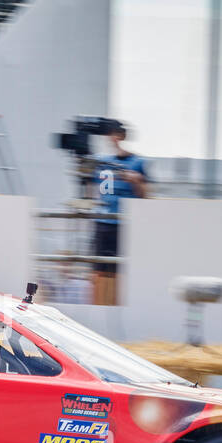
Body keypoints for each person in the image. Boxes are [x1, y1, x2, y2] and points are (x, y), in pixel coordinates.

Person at [91, 122, 146, 305]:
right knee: (98, 268)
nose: (112, 138)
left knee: (120, 269)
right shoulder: (101, 161)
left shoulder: (137, 162)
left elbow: (146, 195)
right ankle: (99, 304)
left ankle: (117, 305)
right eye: (109, 134)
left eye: (116, 134)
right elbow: (90, 188)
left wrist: (135, 181)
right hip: (102, 221)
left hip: (123, 224)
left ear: (122, 136)